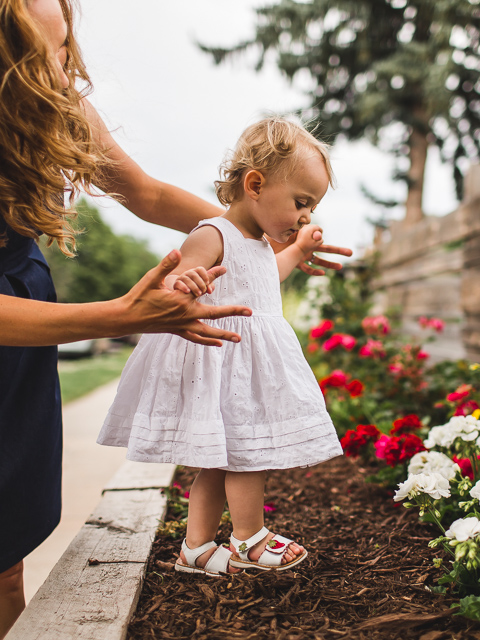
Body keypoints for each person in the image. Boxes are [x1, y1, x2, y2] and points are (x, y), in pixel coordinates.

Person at [0, 1, 350, 638]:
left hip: (18, 345)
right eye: (44, 55)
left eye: (65, 46)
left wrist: (252, 241)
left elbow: (146, 193)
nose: (64, 71)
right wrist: (123, 314)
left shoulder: (56, 105)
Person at [97, 117, 344, 576]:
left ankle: (195, 549)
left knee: (217, 462)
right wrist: (183, 279)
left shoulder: (259, 245)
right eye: (301, 203)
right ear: (255, 184)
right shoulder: (213, 233)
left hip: (247, 369)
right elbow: (178, 275)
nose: (307, 215)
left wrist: (300, 249)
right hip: (226, 364)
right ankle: (249, 539)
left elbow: (268, 273)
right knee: (249, 457)